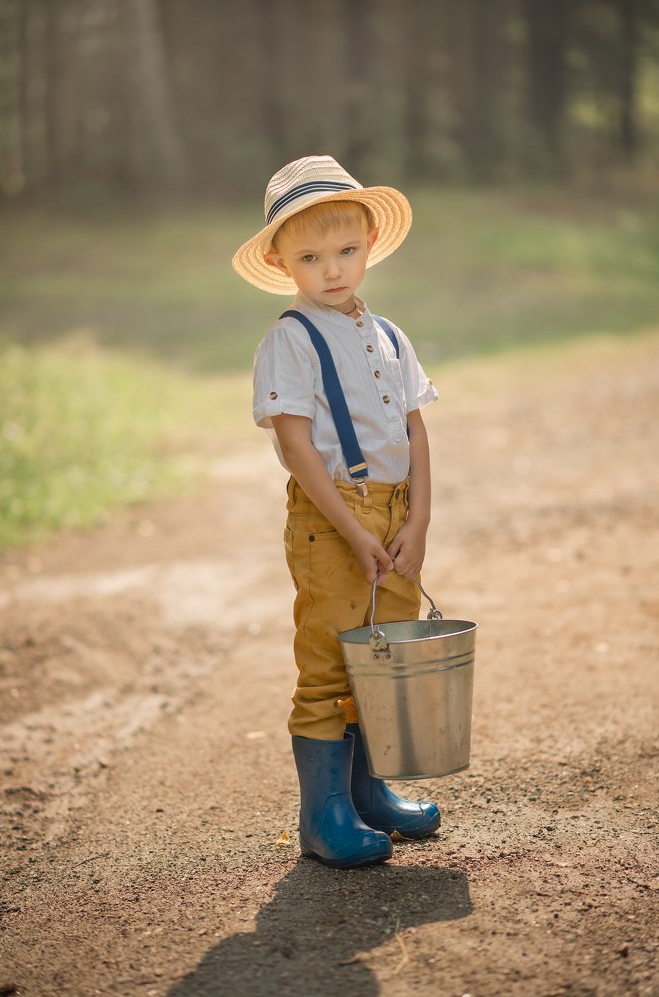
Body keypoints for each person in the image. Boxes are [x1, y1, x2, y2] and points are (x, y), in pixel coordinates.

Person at [232, 155, 440, 869]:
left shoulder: (387, 335)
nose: (331, 269)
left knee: (382, 658)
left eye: (346, 251)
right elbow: (296, 447)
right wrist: (353, 532)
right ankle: (324, 816)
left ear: (370, 245)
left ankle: (369, 792)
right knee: (329, 659)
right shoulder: (289, 339)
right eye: (311, 257)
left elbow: (415, 428)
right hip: (332, 517)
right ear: (279, 259)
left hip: (396, 510)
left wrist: (418, 521)